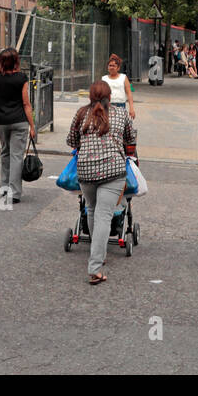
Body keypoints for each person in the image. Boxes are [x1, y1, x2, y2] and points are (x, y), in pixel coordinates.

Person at [66, 81, 135, 284]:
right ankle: (95, 267)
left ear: (89, 97)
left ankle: (99, 253)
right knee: (104, 215)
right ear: (110, 97)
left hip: (86, 171)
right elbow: (130, 138)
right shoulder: (120, 114)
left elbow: (71, 141)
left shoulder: (81, 114)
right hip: (113, 171)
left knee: (92, 209)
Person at [0, 47, 35, 203]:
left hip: (1, 122)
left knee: (5, 153)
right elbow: (26, 104)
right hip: (19, 121)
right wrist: (32, 126)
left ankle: (5, 189)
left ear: (1, 61)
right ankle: (14, 193)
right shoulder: (21, 78)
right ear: (16, 61)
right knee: (16, 156)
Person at [100, 54, 135, 121]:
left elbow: (129, 93)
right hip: (107, 106)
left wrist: (131, 108)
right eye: (110, 65)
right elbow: (100, 95)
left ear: (118, 68)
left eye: (114, 66)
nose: (112, 67)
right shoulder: (104, 79)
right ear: (107, 67)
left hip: (121, 106)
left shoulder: (123, 77)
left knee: (120, 126)